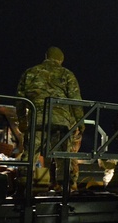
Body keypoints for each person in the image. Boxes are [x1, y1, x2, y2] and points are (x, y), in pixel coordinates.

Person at [16, 46, 84, 189]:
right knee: (62, 155)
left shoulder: (30, 72)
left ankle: (23, 185)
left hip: (37, 120)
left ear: (46, 56)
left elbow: (20, 100)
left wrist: (22, 120)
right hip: (61, 122)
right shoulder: (66, 74)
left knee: (30, 154)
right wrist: (80, 121)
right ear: (61, 60)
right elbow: (75, 101)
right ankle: (66, 188)